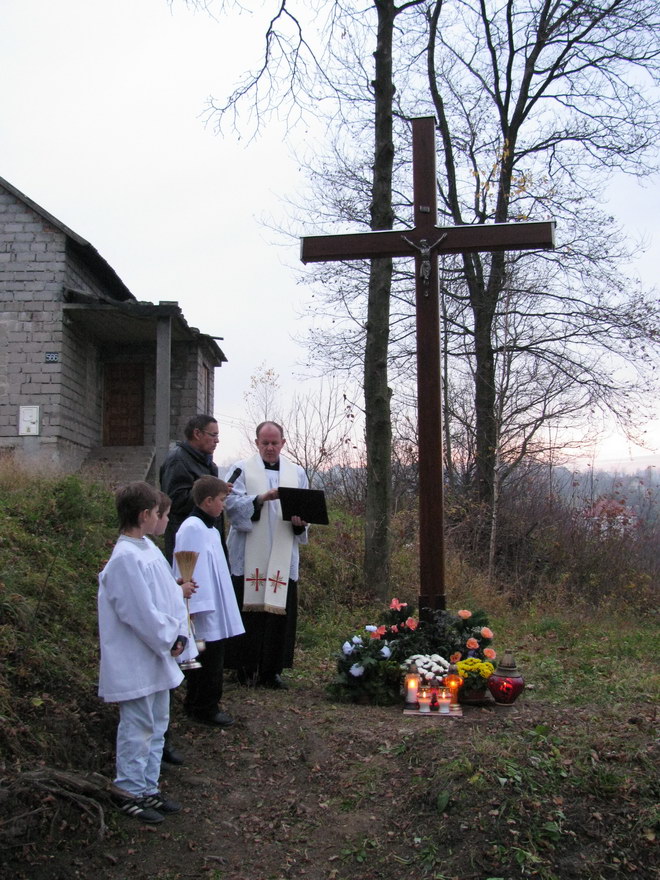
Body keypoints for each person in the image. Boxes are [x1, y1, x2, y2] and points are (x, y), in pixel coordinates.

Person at [98, 482, 189, 824]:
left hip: (158, 654)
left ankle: (149, 786)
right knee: (137, 727)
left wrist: (180, 634)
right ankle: (129, 791)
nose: (159, 516)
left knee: (157, 724)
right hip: (136, 657)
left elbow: (170, 595)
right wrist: (168, 637)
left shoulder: (147, 548)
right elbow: (139, 613)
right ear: (144, 515)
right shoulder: (124, 558)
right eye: (155, 512)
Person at [224, 421, 309, 689]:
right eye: (265, 443)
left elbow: (306, 507)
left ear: (283, 443)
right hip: (249, 553)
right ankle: (244, 667)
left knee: (278, 614)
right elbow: (230, 505)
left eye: (275, 443)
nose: (270, 448)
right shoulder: (241, 469)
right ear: (257, 443)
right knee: (247, 612)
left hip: (282, 553)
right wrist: (261, 498)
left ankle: (271, 670)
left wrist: (301, 522)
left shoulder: (297, 473)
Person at [172, 476, 245, 726]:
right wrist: (195, 607)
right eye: (222, 500)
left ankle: (204, 703)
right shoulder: (192, 527)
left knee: (213, 656)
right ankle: (203, 707)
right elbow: (188, 568)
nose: (224, 505)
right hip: (203, 609)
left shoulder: (210, 528)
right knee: (205, 658)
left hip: (215, 604)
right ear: (208, 501)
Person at [159, 414, 227, 565]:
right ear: (197, 433)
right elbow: (175, 502)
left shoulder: (208, 464)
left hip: (208, 539)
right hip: (188, 546)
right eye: (213, 435)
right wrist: (212, 493)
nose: (217, 440)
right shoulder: (178, 460)